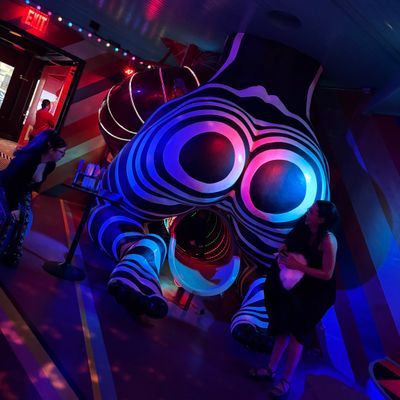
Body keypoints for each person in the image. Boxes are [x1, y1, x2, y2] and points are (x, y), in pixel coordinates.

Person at [249, 200, 339, 399]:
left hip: (317, 293)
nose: (308, 212)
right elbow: (289, 246)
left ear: (321, 219)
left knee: (297, 334)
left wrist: (298, 267)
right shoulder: (304, 229)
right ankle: (271, 369)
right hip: (298, 286)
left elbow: (327, 274)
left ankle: (286, 382)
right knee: (283, 327)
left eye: (312, 212)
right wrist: (284, 253)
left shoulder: (328, 240)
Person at [0, 130, 66, 266]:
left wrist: (24, 202)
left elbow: (31, 187)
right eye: (61, 152)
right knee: (10, 217)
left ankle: (10, 252)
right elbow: (12, 183)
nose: (62, 156)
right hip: (6, 187)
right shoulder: (28, 159)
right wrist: (13, 207)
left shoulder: (50, 165)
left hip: (22, 191)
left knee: (26, 219)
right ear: (51, 150)